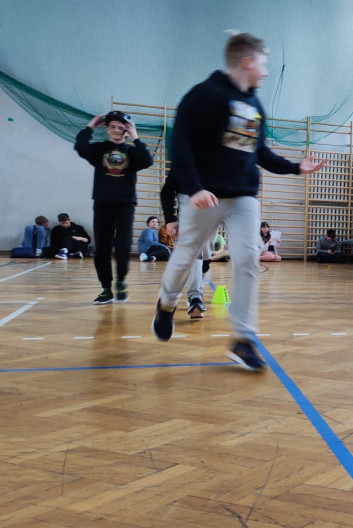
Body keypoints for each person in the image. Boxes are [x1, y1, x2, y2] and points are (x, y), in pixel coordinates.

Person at [151, 32, 326, 371]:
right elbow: (180, 145)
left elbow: (259, 152)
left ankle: (244, 340)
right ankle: (166, 303)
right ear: (247, 61)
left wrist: (295, 167)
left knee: (247, 260)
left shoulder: (254, 104)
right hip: (205, 196)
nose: (267, 71)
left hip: (244, 196)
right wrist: (194, 188)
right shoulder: (204, 95)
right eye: (264, 63)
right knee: (186, 256)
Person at [75, 110, 154, 304]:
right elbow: (81, 147)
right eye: (112, 127)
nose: (117, 130)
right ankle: (106, 289)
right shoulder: (100, 149)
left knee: (123, 245)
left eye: (121, 128)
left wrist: (135, 136)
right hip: (102, 203)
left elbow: (148, 160)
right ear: (107, 129)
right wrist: (90, 126)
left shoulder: (132, 152)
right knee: (102, 247)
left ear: (126, 131)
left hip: (125, 204)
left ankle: (121, 281)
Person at [161, 169, 212, 319]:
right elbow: (167, 190)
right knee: (196, 251)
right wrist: (170, 219)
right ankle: (195, 297)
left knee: (206, 258)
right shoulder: (183, 160)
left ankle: (198, 285)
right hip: (188, 203)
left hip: (214, 205)